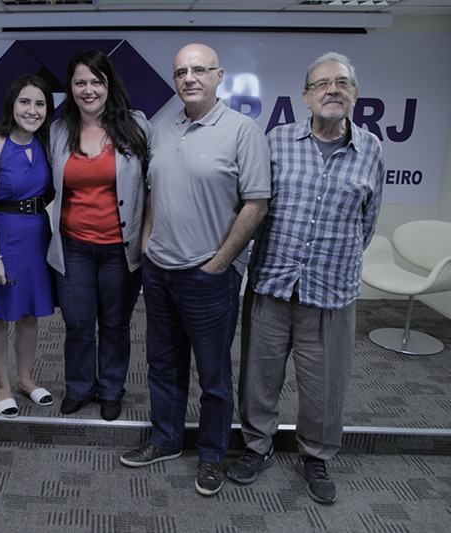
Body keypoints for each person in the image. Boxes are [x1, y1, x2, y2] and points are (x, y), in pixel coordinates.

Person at [227, 52, 384, 505]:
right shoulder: (277, 140)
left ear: (355, 93)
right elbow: (254, 206)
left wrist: (333, 260)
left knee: (325, 384)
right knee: (259, 375)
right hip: (272, 283)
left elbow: (367, 222)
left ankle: (315, 457)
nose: (332, 90)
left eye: (342, 83)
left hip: (331, 291)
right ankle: (257, 446)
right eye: (322, 84)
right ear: (306, 96)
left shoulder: (371, 149)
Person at [120, 43, 271, 497]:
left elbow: (256, 204)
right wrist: (147, 242)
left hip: (209, 276)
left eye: (199, 70)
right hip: (160, 271)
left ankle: (211, 455)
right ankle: (166, 439)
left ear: (218, 76)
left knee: (213, 375)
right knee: (163, 365)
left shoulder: (243, 131)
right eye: (181, 72)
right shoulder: (163, 129)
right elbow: (154, 192)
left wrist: (220, 263)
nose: (189, 78)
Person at [47, 49, 150, 422]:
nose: (88, 89)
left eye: (96, 81)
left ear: (109, 85)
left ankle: (110, 388)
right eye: (80, 82)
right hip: (72, 246)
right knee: (77, 324)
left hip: (120, 249)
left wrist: (149, 234)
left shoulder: (137, 126)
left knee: (114, 323)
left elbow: (152, 186)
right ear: (70, 87)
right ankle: (78, 387)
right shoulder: (58, 131)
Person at [0, 75, 57, 417]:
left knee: (29, 314)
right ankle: (1, 386)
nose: (32, 110)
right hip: (2, 235)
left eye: (40, 104)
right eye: (25, 102)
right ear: (12, 105)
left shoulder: (46, 143)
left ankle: (25, 379)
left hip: (37, 234)